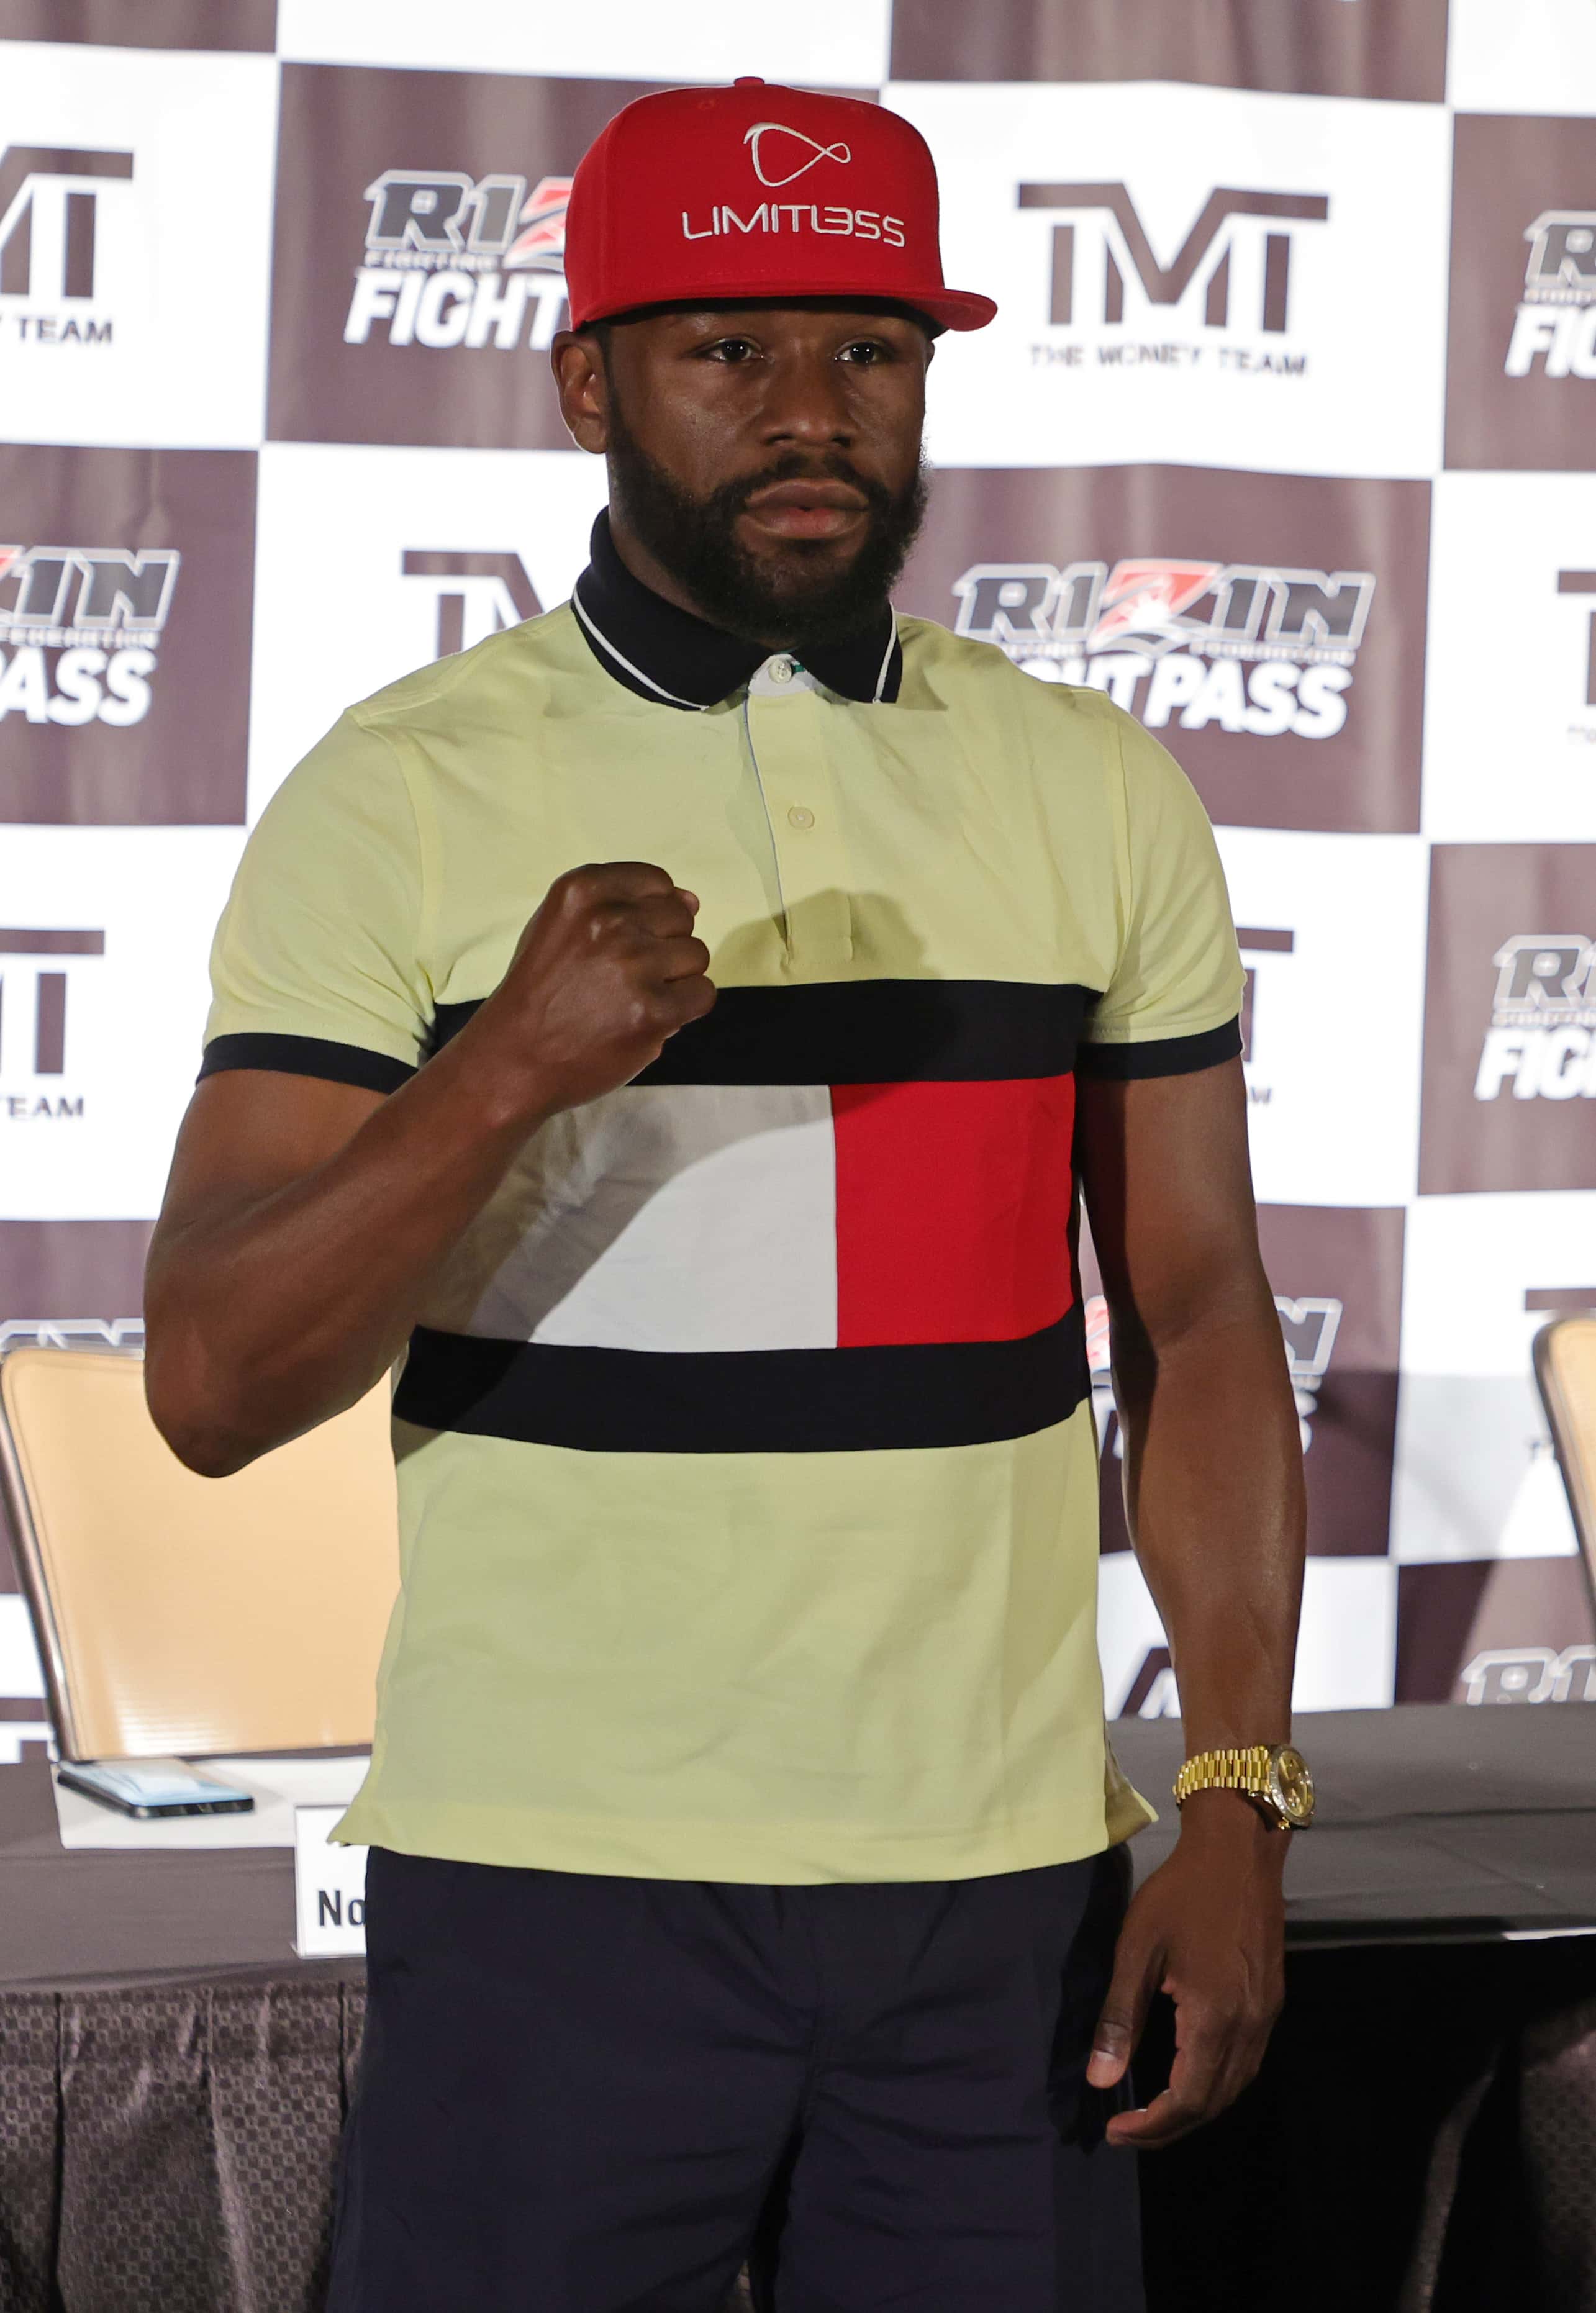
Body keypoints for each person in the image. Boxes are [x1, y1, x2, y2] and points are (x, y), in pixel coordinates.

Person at [144, 76, 1310, 2313]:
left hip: (997, 1893)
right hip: (549, 1888)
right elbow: (210, 1381)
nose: (809, 411)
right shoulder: (397, 793)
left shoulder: (1092, 787)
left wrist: (1237, 1797)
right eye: (727, 348)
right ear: (587, 383)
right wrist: (501, 1072)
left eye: (868, 349)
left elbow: (1195, 1312)